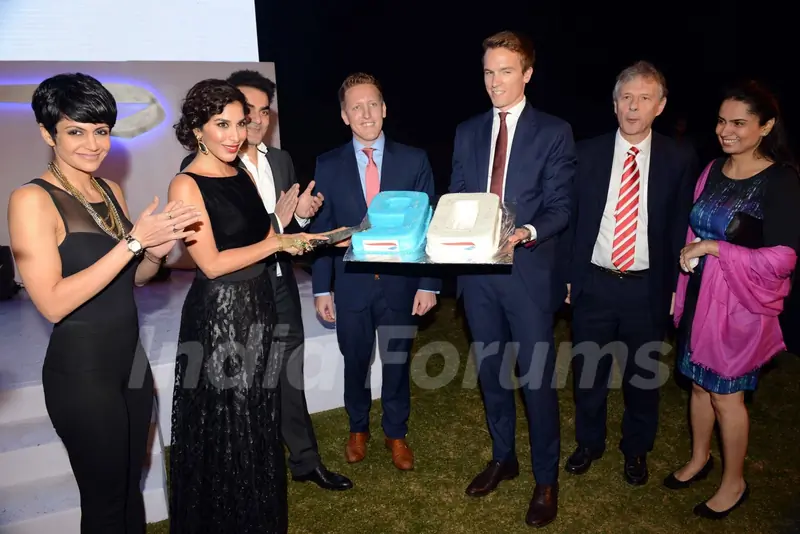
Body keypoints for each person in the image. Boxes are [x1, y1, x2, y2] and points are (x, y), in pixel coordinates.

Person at [7, 72, 199, 532]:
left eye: (101, 131)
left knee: (130, 486)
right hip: (81, 371)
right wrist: (133, 243)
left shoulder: (110, 190)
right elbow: (51, 304)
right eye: (76, 131)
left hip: (130, 363)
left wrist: (155, 250)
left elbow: (135, 278)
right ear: (46, 133)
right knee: (105, 502)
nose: (93, 144)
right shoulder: (31, 199)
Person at [166, 79, 326, 533]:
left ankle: (257, 517)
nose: (235, 133)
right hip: (222, 315)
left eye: (240, 122)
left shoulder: (237, 171)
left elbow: (254, 236)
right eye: (222, 124)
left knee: (257, 417)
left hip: (258, 303)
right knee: (227, 422)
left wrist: (293, 230)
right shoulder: (186, 184)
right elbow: (212, 263)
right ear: (198, 128)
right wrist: (277, 240)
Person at [449, 31, 575, 528]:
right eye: (488, 71)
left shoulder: (554, 131)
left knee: (537, 380)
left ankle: (546, 479)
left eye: (506, 70)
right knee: (492, 373)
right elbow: (458, 194)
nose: (495, 81)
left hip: (528, 272)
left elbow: (562, 206)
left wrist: (526, 230)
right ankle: (504, 456)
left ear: (526, 74)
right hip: (477, 275)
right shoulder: (467, 131)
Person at [668, 80, 800, 519]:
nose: (727, 130)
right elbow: (692, 231)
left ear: (765, 126)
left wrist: (715, 249)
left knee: (727, 395)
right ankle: (699, 459)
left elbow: (782, 258)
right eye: (723, 121)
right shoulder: (713, 169)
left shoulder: (780, 180)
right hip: (702, 293)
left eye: (740, 123)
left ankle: (734, 482)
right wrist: (680, 288)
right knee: (699, 385)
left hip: (740, 304)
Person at [564, 61, 697, 485]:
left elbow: (680, 223)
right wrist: (568, 276)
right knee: (588, 374)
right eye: (626, 97)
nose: (633, 107)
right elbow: (573, 220)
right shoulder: (587, 152)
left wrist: (679, 284)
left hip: (647, 287)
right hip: (595, 281)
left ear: (660, 106)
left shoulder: (679, 158)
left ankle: (636, 450)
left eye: (644, 98)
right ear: (614, 103)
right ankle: (589, 443)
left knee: (643, 378)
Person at [310, 72, 439, 471]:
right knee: (355, 361)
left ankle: (396, 433)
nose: (366, 113)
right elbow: (321, 231)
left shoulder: (413, 159)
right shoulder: (327, 164)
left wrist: (430, 284)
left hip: (401, 285)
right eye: (356, 107)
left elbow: (429, 224)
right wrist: (321, 290)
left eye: (372, 104)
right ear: (345, 116)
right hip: (351, 287)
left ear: (384, 109)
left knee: (398, 361)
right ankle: (358, 428)